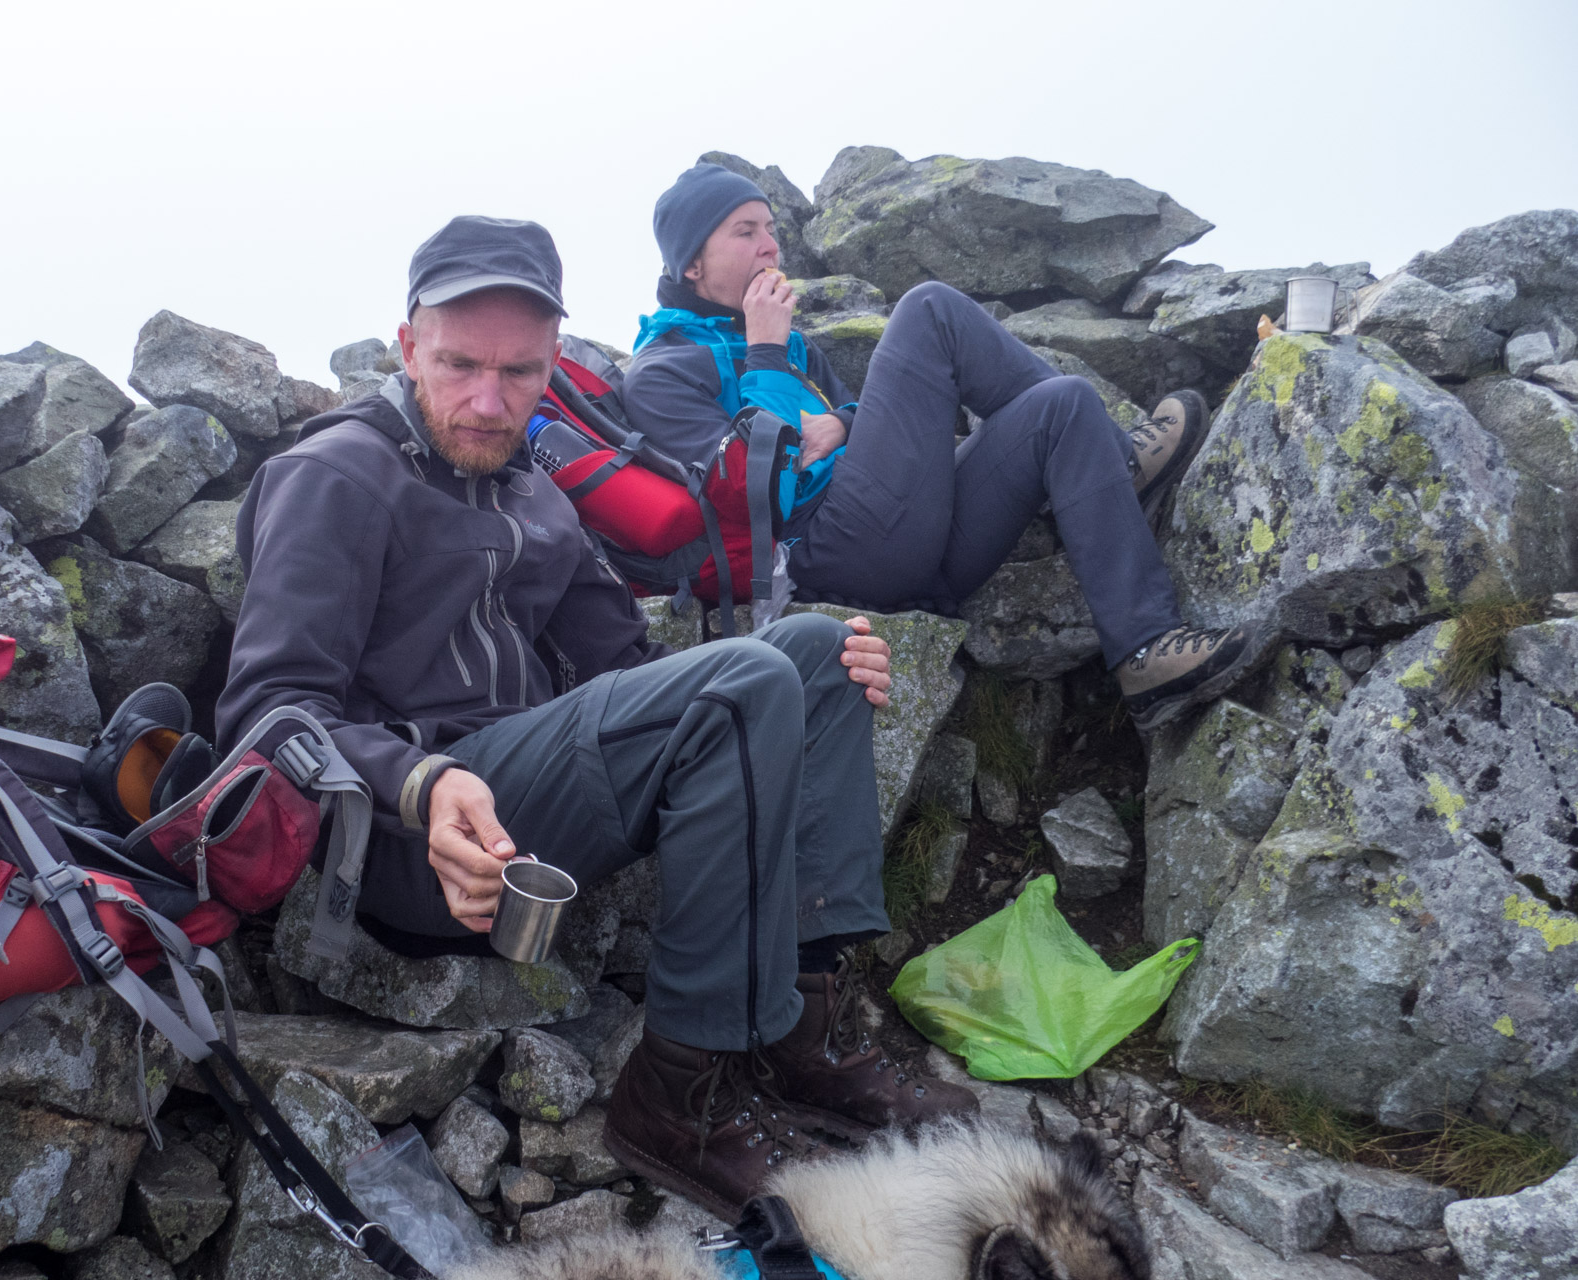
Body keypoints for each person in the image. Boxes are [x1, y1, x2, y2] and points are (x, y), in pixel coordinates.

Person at [217, 216, 977, 1221]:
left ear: (553, 364)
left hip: (531, 810)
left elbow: (628, 671)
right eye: (459, 365)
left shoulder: (538, 491)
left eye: (520, 373)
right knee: (749, 677)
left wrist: (812, 659)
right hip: (409, 843)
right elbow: (267, 714)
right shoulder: (338, 475)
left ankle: (804, 1035)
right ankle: (681, 1095)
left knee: (813, 653)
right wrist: (421, 782)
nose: (489, 401)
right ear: (407, 346)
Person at [624, 162, 1268, 729]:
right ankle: (1118, 464)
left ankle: (1145, 649)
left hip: (909, 540)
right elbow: (751, 497)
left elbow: (853, 418)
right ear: (691, 262)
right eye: (745, 232)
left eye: (771, 228)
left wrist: (843, 423)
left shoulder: (793, 345)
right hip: (823, 554)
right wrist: (765, 352)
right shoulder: (662, 373)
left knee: (1062, 403)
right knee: (928, 309)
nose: (770, 246)